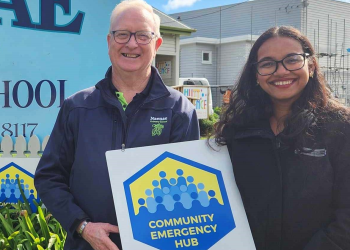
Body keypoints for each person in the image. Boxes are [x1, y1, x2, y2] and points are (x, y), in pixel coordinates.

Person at [34, 0, 199, 249]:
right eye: (122, 34)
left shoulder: (179, 110)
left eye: (143, 35)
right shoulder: (77, 107)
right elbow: (49, 177)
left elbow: (187, 189)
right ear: (109, 41)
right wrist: (82, 226)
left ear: (157, 44)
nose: (131, 43)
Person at [214, 26, 350, 250]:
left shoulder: (341, 127)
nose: (281, 71)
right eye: (268, 64)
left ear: (312, 65)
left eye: (292, 59)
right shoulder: (237, 130)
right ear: (256, 74)